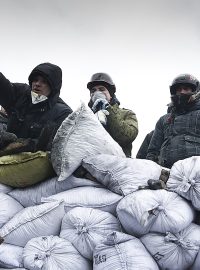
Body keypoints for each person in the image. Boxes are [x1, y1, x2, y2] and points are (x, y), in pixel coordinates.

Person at [0, 62, 72, 155]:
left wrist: (22, 144)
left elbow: (55, 145)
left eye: (44, 81)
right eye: (35, 80)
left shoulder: (63, 113)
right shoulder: (20, 95)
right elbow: (3, 87)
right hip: (5, 154)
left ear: (53, 86)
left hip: (35, 160)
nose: (37, 84)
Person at [146, 73, 200, 170]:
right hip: (167, 172)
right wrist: (152, 171)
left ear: (195, 91)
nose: (182, 92)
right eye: (179, 90)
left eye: (186, 89)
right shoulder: (163, 120)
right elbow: (153, 151)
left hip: (196, 171)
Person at [87, 72, 138, 157]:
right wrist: (91, 114)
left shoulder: (127, 114)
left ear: (110, 94)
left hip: (119, 165)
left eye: (102, 89)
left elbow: (127, 137)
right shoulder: (85, 115)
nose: (97, 93)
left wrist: (108, 110)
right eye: (93, 90)